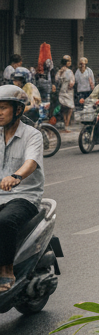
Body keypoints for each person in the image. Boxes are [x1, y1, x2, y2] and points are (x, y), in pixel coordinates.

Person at [0, 84, 45, 294]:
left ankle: (6, 270)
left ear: (18, 109)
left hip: (24, 196)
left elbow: (31, 162)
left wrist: (16, 176)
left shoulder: (32, 135)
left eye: (3, 108)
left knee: (4, 221)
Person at [55, 56, 75, 130]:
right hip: (63, 91)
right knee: (64, 107)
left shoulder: (70, 71)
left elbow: (72, 81)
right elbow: (57, 80)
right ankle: (66, 123)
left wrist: (72, 83)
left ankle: (67, 123)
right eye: (68, 61)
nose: (70, 62)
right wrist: (60, 73)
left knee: (70, 107)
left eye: (70, 61)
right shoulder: (61, 71)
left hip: (68, 91)